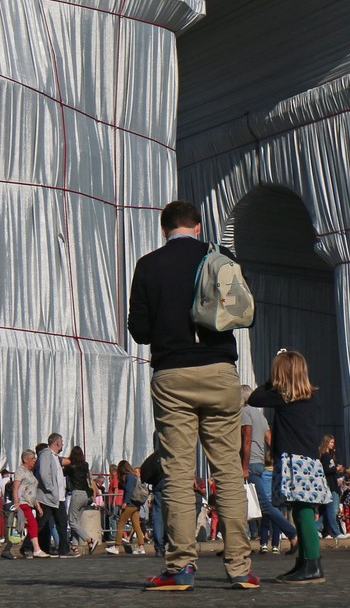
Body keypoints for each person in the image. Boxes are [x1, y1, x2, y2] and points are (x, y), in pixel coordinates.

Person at [126, 200, 257, 591]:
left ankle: (181, 567)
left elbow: (140, 329)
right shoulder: (221, 258)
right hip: (220, 372)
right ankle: (240, 568)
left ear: (164, 229)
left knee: (179, 476)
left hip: (173, 375)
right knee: (229, 474)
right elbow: (240, 311)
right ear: (198, 227)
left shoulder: (148, 265)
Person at [247, 349, 329, 583]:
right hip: (309, 460)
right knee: (301, 511)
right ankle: (304, 562)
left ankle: (312, 564)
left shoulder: (283, 396)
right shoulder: (312, 396)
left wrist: (272, 381)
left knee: (302, 512)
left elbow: (254, 397)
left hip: (294, 459)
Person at [242, 397, 293, 553]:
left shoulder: (244, 412)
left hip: (248, 463)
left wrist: (244, 466)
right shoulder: (260, 415)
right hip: (259, 464)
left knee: (265, 506)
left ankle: (292, 532)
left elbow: (247, 439)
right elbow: (270, 439)